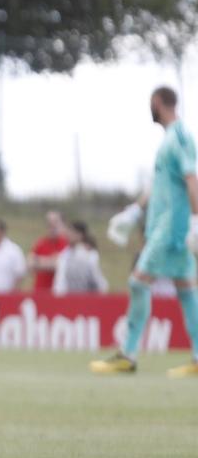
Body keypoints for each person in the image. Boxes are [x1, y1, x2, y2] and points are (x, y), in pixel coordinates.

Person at [93, 87, 198, 375]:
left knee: (139, 282)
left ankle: (128, 353)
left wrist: (195, 221)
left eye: (151, 105)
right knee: (187, 290)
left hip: (172, 227)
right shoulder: (168, 141)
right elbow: (160, 184)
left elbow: (192, 180)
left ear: (158, 103)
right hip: (165, 225)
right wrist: (135, 211)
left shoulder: (180, 137)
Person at [54, 220, 108, 295]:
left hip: (85, 298)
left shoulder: (90, 254)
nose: (68, 235)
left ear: (80, 235)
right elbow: (60, 281)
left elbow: (97, 280)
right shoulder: (64, 254)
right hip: (67, 298)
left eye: (72, 232)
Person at [29, 210, 70, 293]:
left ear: (63, 223)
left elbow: (59, 265)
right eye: (49, 222)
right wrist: (51, 261)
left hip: (57, 293)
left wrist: (39, 261)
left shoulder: (67, 243)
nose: (51, 225)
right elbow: (30, 264)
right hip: (39, 291)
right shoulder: (41, 242)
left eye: (55, 221)